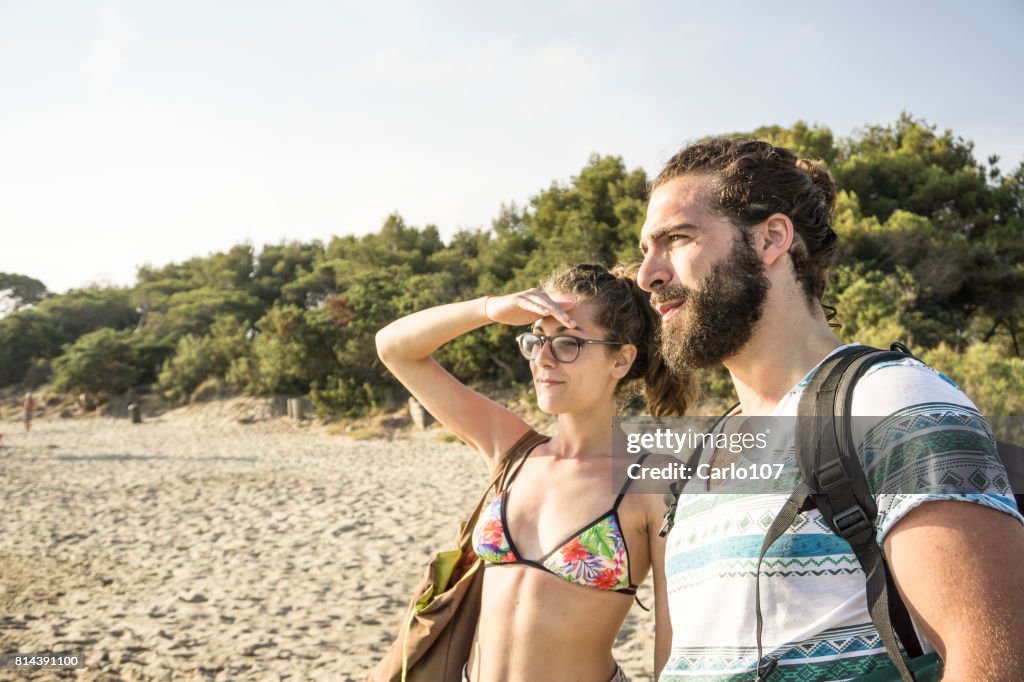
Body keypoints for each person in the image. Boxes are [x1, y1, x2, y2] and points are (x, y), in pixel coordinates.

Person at [635, 137, 1024, 680]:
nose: (646, 275)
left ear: (772, 238)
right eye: (645, 250)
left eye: (676, 239)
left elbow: (991, 658)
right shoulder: (710, 447)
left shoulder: (893, 402)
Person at [375, 263, 695, 682]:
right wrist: (490, 309)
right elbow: (394, 348)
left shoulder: (653, 482)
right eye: (537, 341)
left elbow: (674, 645)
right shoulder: (513, 450)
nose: (543, 359)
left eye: (567, 344)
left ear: (621, 359)